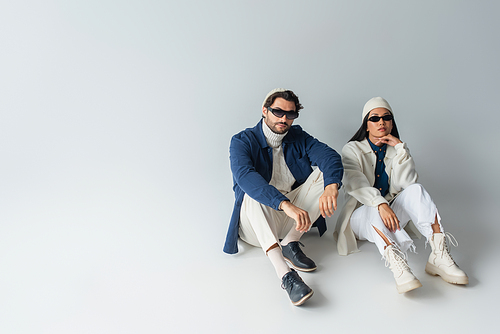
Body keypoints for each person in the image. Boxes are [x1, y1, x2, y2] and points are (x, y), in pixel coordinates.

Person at [334, 97, 468, 293]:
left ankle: (438, 254)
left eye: (386, 117)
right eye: (375, 118)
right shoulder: (352, 149)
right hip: (359, 218)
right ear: (366, 124)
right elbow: (356, 183)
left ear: (392, 122)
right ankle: (398, 265)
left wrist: (400, 149)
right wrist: (380, 203)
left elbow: (408, 183)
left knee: (417, 189)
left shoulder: (397, 149)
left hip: (391, 216)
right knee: (373, 209)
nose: (381, 122)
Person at [224, 88, 343, 305]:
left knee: (325, 175)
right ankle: (285, 273)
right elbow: (245, 176)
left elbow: (330, 156)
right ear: (264, 110)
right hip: (256, 225)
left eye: (290, 114)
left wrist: (331, 187)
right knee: (251, 192)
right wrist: (284, 203)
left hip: (291, 221)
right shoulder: (242, 140)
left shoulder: (298, 136)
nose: (284, 118)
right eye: (278, 112)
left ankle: (290, 242)